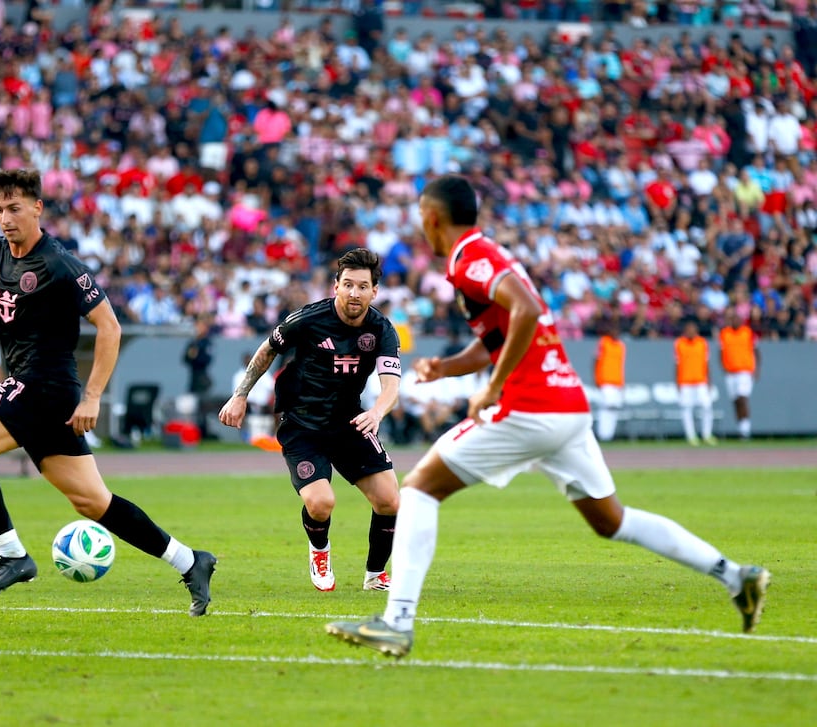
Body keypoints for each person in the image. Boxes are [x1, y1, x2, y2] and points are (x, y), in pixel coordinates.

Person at [326, 175, 770, 658]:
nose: (421, 227)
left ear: (433, 218)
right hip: (567, 406)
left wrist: (494, 387)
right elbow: (503, 330)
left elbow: (529, 310)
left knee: (417, 490)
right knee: (611, 520)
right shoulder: (484, 255)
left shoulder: (469, 256)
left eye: (420, 217)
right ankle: (736, 576)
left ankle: (397, 622)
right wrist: (449, 368)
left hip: (530, 406)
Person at [0, 168, 216, 614]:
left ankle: (12, 555)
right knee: (92, 501)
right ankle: (190, 560)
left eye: (15, 208)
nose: (5, 217)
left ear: (38, 207)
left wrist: (94, 395)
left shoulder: (60, 264)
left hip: (45, 386)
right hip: (35, 391)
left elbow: (110, 326)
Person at [219, 248, 401, 593]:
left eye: (362, 286)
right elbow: (266, 350)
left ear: (374, 291)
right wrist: (240, 395)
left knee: (391, 500)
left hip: (350, 422)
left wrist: (376, 412)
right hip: (302, 425)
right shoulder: (307, 320)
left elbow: (392, 385)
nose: (354, 293)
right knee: (321, 503)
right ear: (336, 286)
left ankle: (376, 575)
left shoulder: (382, 329)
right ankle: (319, 551)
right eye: (348, 284)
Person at [675, 319, 717, 446]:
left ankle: (706, 434)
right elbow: (677, 364)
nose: (690, 332)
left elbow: (706, 362)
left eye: (692, 329)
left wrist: (709, 380)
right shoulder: (679, 343)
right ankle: (691, 436)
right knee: (687, 409)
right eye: (688, 329)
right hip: (685, 381)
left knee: (707, 406)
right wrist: (677, 381)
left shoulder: (702, 343)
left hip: (700, 381)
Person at [719, 309, 759, 440]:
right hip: (731, 372)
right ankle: (741, 428)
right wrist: (723, 366)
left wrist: (756, 369)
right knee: (736, 401)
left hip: (744, 371)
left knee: (743, 398)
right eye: (733, 319)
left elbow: (756, 351)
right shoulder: (725, 333)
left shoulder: (747, 332)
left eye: (738, 319)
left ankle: (746, 429)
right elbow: (721, 352)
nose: (735, 321)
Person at [592, 322, 625, 442]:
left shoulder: (621, 345)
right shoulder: (603, 342)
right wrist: (597, 378)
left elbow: (621, 365)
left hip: (617, 381)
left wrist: (622, 382)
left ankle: (609, 435)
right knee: (606, 407)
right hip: (605, 380)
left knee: (614, 408)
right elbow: (596, 360)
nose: (616, 333)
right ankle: (603, 434)